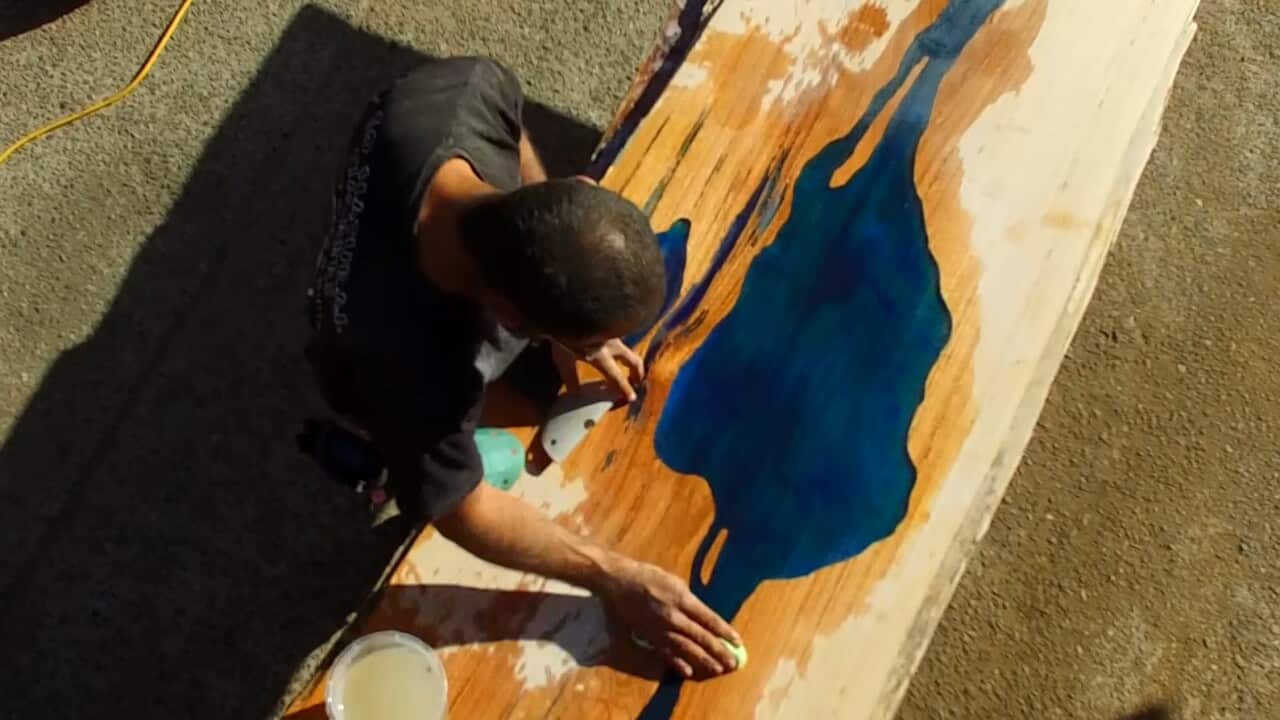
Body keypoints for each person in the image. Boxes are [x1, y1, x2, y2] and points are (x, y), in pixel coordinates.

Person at [304, 56, 740, 679]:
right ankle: (382, 462)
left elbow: (515, 145)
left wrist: (577, 333)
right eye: (574, 336)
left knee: (549, 403)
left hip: (414, 236)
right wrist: (614, 576)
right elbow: (461, 511)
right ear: (507, 314)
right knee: (442, 459)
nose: (603, 350)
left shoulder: (466, 92)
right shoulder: (414, 365)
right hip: (355, 361)